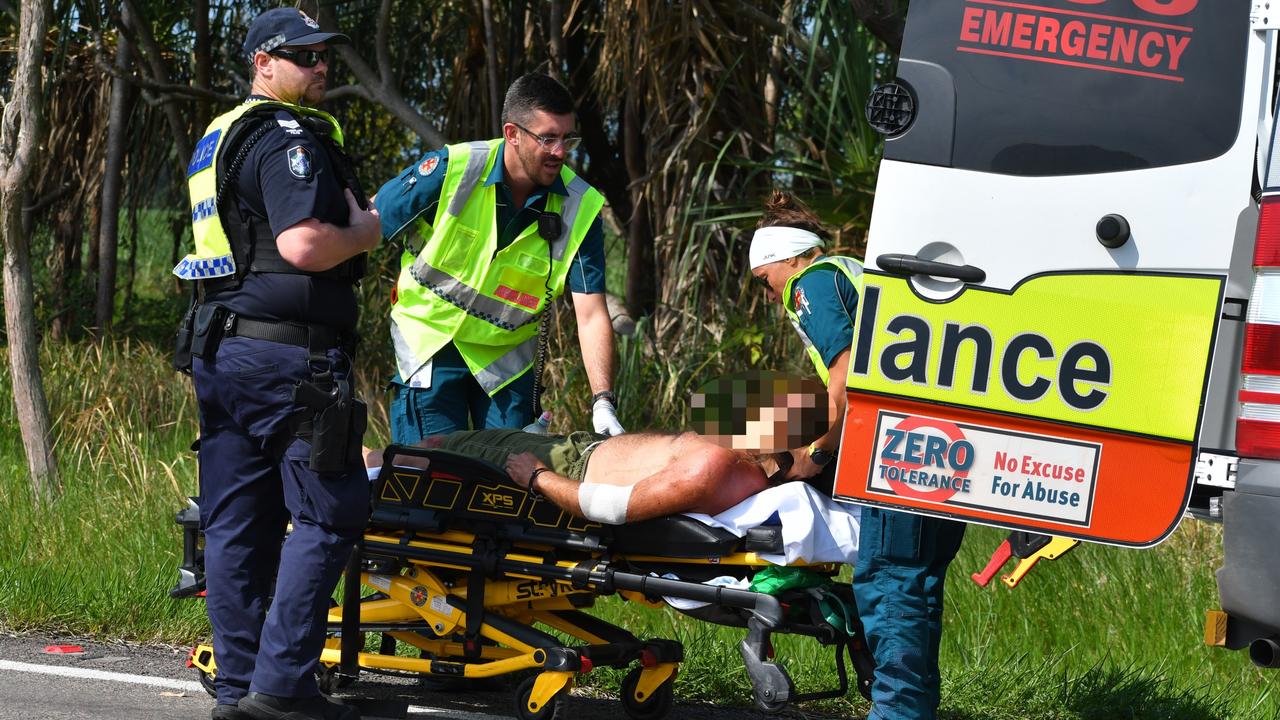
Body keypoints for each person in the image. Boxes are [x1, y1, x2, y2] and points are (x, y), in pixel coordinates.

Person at [172, 8, 380, 720]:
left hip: (220, 349)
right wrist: (364, 231)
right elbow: (301, 245)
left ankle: (238, 692)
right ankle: (282, 687)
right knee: (331, 512)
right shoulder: (287, 135)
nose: (320, 67)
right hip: (286, 356)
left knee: (236, 523)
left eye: (325, 56)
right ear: (264, 62)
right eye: (303, 56)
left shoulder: (218, 136)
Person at [748, 192, 965, 720]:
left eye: (764, 278)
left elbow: (846, 376)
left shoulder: (810, 284)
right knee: (918, 586)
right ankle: (911, 708)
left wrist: (820, 453)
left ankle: (895, 714)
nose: (768, 291)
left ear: (784, 258)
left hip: (892, 440)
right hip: (942, 439)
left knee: (891, 580)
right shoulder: (853, 270)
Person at [374, 72, 622, 444]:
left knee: (509, 483)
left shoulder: (581, 206)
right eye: (548, 138)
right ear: (512, 133)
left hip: (505, 364)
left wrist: (603, 401)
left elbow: (590, 314)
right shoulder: (454, 169)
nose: (560, 151)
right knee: (434, 474)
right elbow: (370, 223)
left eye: (567, 138)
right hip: (432, 343)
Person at [364, 373, 831, 524]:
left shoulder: (712, 467)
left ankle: (341, 464)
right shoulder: (754, 457)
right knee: (434, 445)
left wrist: (537, 477)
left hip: (567, 468)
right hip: (572, 448)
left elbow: (616, 507)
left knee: (424, 455)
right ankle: (353, 458)